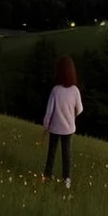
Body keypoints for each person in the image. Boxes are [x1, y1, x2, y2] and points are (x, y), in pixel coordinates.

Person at [42, 55, 83, 189]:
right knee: (67, 155)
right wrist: (72, 116)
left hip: (54, 128)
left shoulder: (55, 91)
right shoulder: (75, 91)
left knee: (51, 152)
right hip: (68, 129)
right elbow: (80, 109)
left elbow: (49, 112)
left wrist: (45, 127)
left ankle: (47, 175)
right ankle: (67, 180)